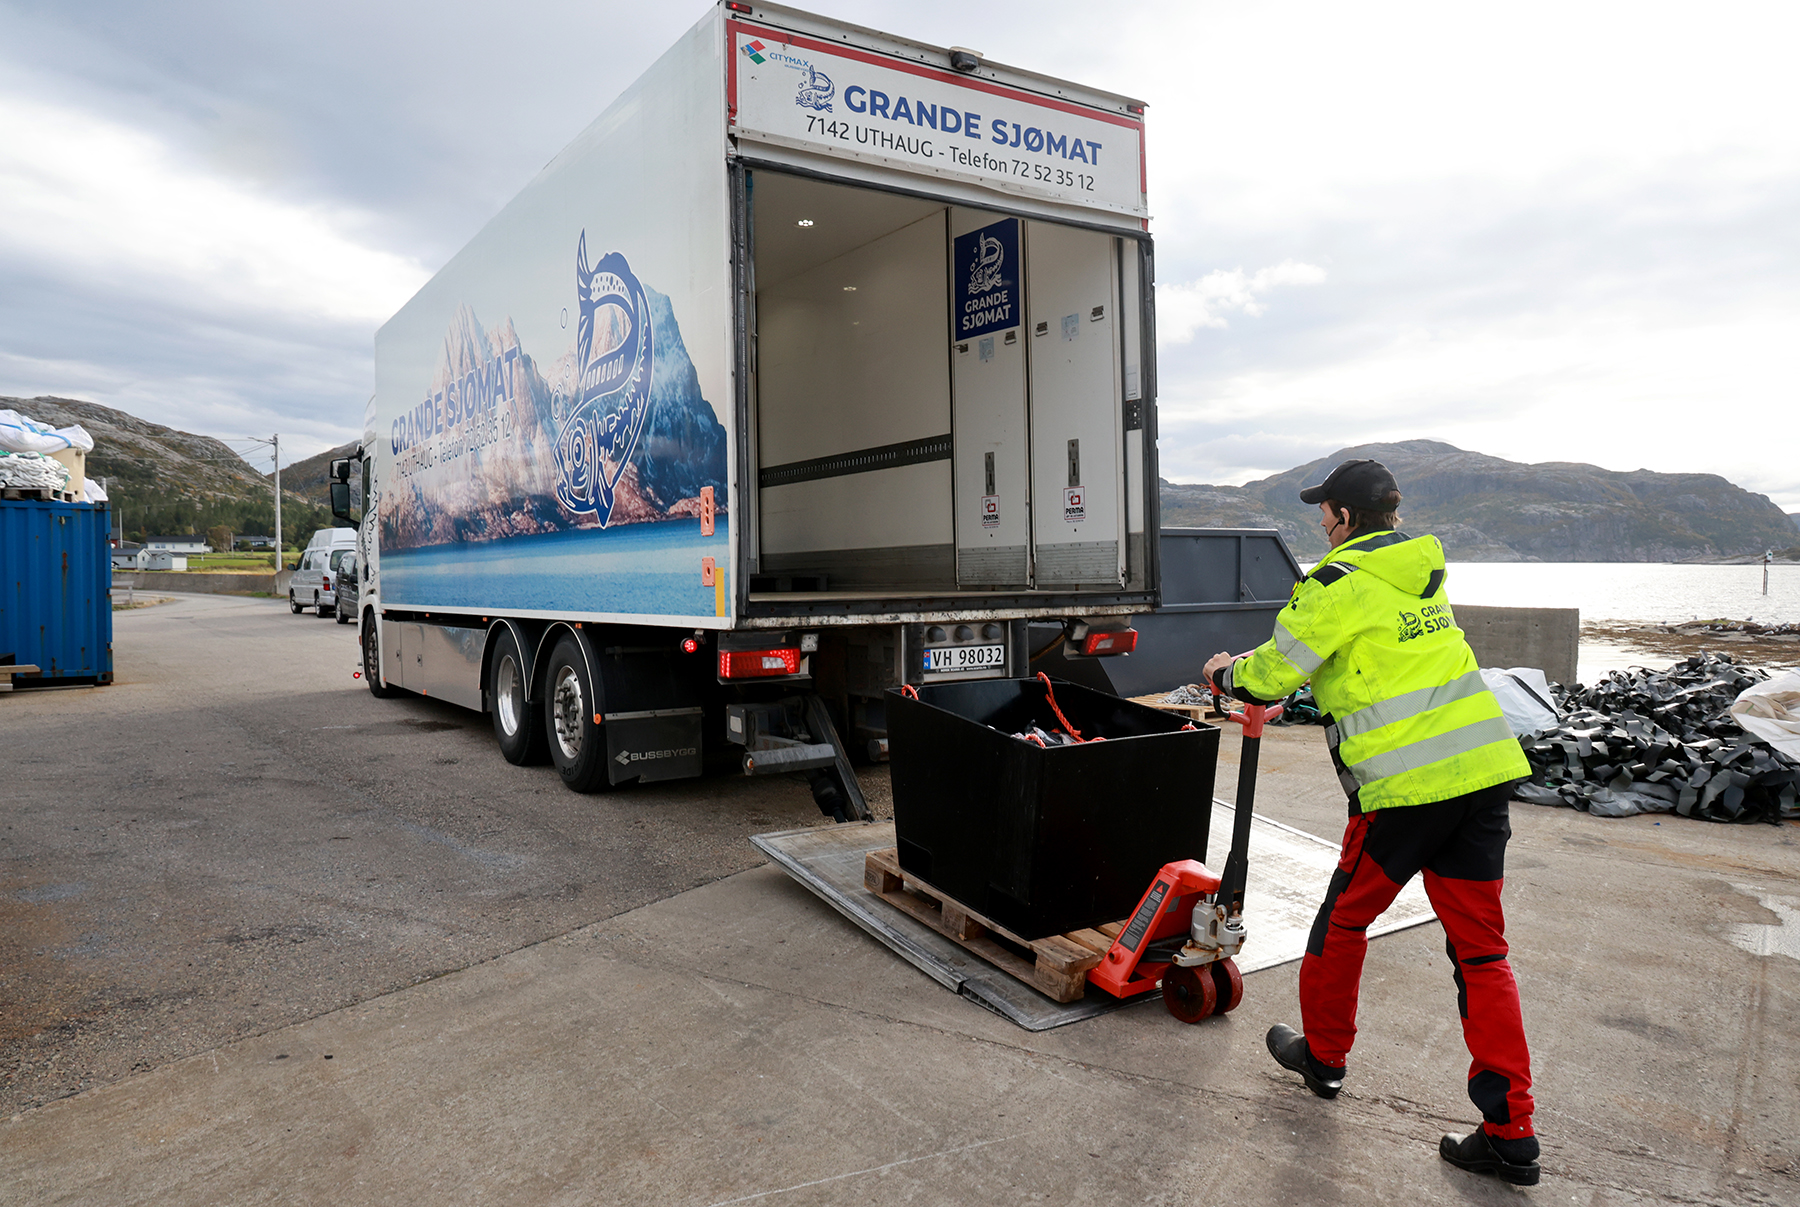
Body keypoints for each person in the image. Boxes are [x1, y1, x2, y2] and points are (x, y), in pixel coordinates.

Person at [1201, 458, 1542, 1187]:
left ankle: (1323, 1060)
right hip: (1481, 779)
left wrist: (1223, 672)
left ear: (1347, 518)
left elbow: (1268, 674)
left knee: (1341, 924)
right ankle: (1512, 1133)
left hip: (1402, 796)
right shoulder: (1422, 575)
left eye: (1324, 512)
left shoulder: (1333, 584)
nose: (1320, 525)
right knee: (1482, 954)